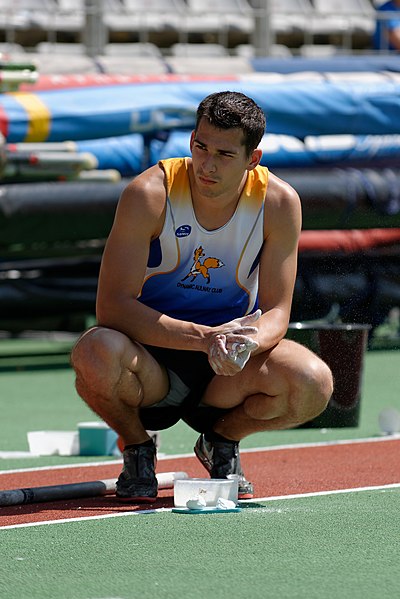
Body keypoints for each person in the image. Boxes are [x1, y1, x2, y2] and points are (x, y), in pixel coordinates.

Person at [71, 91, 333, 503]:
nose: (207, 165)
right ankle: (138, 447)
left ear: (254, 159)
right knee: (93, 352)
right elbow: (112, 306)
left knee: (314, 383)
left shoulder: (279, 203)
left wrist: (246, 343)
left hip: (228, 371)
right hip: (151, 358)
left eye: (225, 155)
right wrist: (204, 338)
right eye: (200, 147)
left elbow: (278, 311)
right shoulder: (149, 193)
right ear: (191, 139)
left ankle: (221, 440)